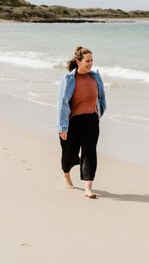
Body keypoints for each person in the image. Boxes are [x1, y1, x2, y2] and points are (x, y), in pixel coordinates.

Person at [56, 46, 107, 199]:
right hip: (73, 122)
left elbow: (101, 97)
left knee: (89, 153)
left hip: (91, 121)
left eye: (92, 60)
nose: (90, 63)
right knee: (69, 154)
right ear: (78, 61)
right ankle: (66, 174)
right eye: (87, 61)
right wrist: (62, 127)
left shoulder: (95, 77)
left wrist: (98, 113)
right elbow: (62, 104)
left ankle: (88, 188)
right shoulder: (68, 80)